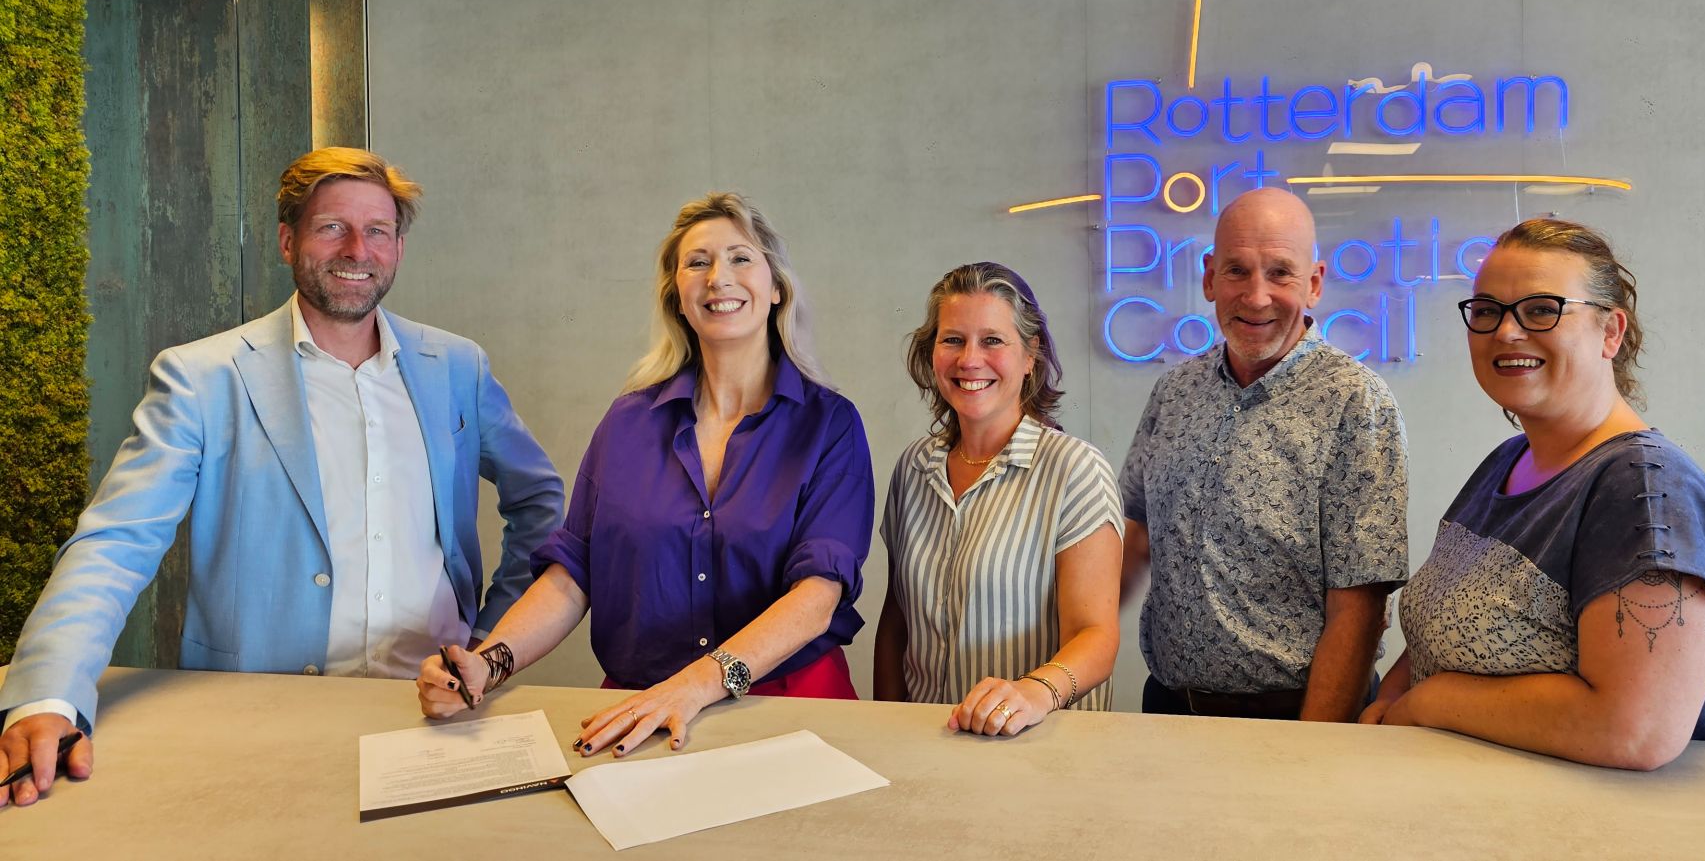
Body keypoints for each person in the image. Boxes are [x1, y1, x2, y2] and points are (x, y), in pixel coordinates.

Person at [1, 148, 565, 808]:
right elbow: (114, 543)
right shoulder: (202, 377)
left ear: (398, 247)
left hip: (437, 713)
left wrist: (491, 644)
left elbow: (540, 505)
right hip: (262, 716)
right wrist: (47, 693)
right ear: (286, 240)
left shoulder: (456, 366)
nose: (357, 247)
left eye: (378, 230)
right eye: (332, 226)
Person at [417, 193, 873, 756]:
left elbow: (818, 595)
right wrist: (487, 666)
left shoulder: (830, 425)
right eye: (697, 262)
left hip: (790, 708)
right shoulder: (628, 422)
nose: (718, 278)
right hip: (644, 714)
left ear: (776, 287)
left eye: (740, 258)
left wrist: (694, 686)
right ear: (677, 296)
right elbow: (573, 573)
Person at [1359, 218, 1705, 770]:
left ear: (1611, 332)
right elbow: (1437, 639)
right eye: (1487, 310)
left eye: (1542, 309)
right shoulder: (1506, 461)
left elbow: (1635, 731)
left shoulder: (1647, 493)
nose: (1506, 332)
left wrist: (1430, 703)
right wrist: (1391, 702)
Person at [1119, 187, 1408, 722]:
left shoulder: (1354, 401)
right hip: (1167, 709)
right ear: (1208, 277)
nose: (1256, 297)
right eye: (1237, 271)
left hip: (1293, 717)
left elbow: (1361, 605)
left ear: (1314, 283)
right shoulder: (1174, 391)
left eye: (1280, 273)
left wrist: (1312, 751)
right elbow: (1136, 534)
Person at [873, 263, 1122, 736]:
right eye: (953, 340)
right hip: (928, 741)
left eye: (992, 340)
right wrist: (887, 727)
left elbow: (1096, 636)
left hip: (1037, 747)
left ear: (1031, 356)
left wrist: (1032, 692)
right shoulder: (913, 468)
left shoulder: (1074, 470)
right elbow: (897, 621)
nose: (970, 359)